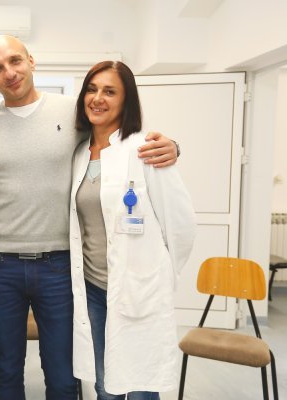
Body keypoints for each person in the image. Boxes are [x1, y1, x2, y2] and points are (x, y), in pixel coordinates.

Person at [0, 35, 180, 400]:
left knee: (62, 372)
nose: (10, 72)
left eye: (15, 60)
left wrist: (174, 146)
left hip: (58, 264)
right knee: (6, 368)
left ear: (31, 61)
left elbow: (124, 137)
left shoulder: (74, 112)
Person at [69, 61, 197, 399]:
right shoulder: (79, 153)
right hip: (93, 289)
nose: (98, 98)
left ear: (126, 100)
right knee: (104, 385)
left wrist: (159, 276)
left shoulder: (145, 149)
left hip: (139, 289)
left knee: (141, 386)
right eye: (92, 89)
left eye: (110, 91)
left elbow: (181, 224)